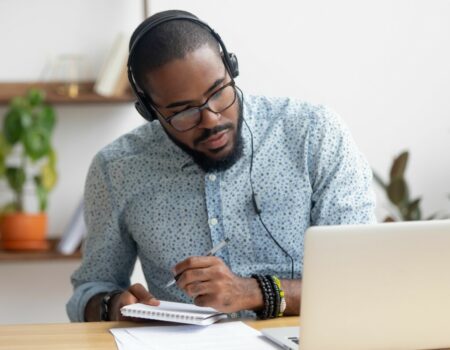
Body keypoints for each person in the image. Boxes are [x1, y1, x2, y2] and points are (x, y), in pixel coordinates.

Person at [67, 10, 376, 322]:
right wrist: (113, 305)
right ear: (149, 111)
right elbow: (90, 290)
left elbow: (362, 279)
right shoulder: (116, 169)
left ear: (232, 68)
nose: (211, 119)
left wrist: (254, 292)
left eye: (218, 92)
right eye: (183, 111)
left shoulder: (314, 133)